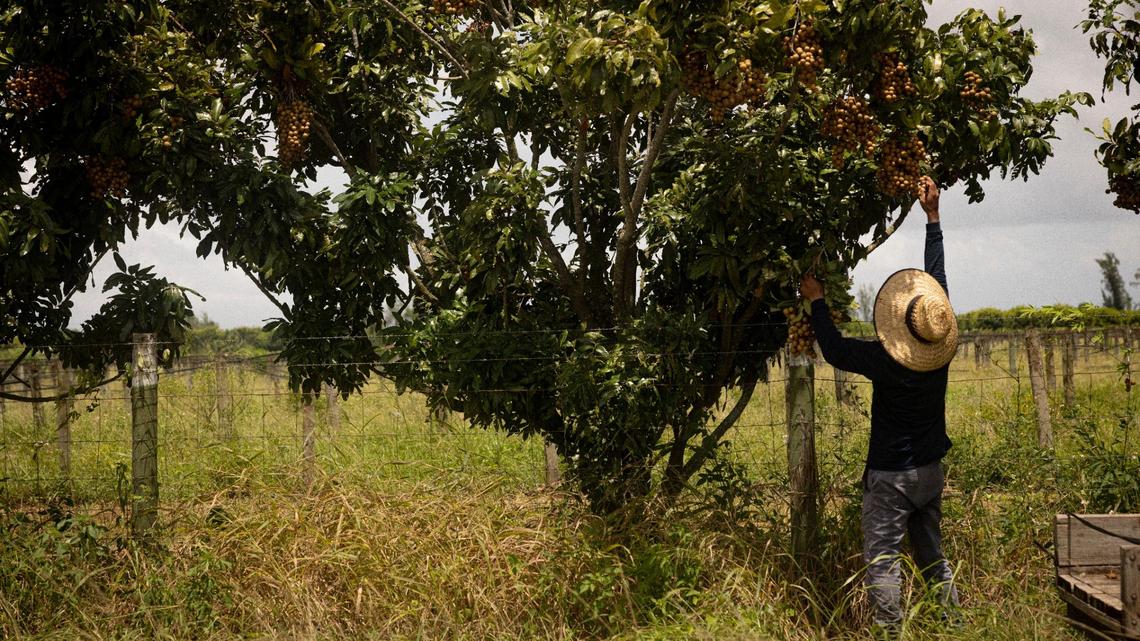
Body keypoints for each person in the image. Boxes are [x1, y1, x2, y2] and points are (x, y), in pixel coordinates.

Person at [799, 176, 960, 632]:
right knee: (933, 557)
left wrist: (817, 301)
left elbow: (833, 348)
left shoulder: (884, 359)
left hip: (891, 476)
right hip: (930, 470)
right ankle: (955, 625)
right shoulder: (941, 350)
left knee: (883, 562)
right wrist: (933, 219)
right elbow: (939, 290)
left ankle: (890, 632)